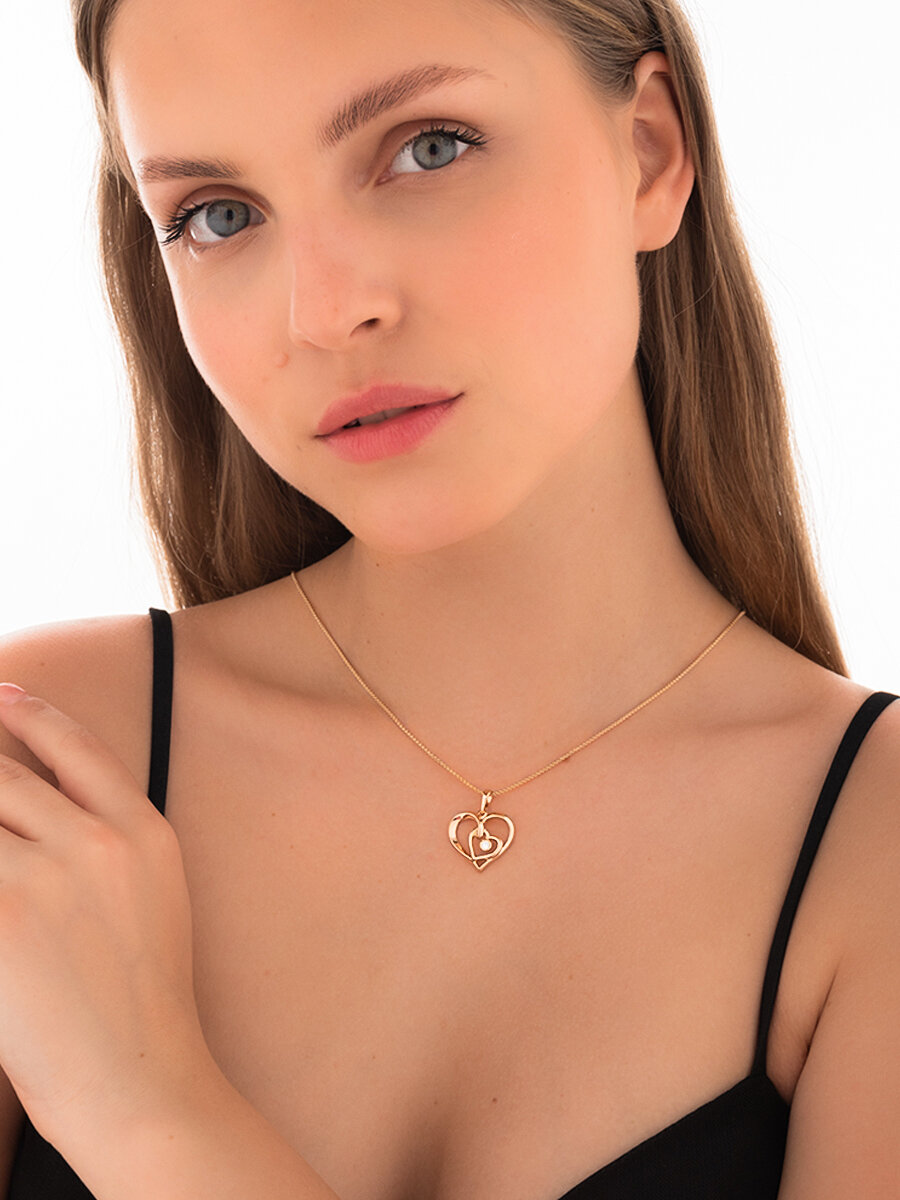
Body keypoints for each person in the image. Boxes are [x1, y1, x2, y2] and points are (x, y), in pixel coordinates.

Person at [0, 0, 897, 1196]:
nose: (327, 313)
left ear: (648, 152)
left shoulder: (874, 855)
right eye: (219, 215)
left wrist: (142, 1108)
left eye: (427, 149)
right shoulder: (47, 763)